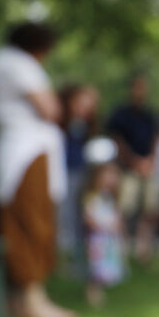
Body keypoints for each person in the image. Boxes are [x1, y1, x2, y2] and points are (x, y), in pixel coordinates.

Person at [0, 22, 74, 317]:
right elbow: (49, 109)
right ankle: (31, 301)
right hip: (26, 154)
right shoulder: (16, 62)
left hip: (20, 152)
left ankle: (21, 300)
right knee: (30, 224)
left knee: (23, 223)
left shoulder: (0, 61)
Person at [107, 73, 159, 264]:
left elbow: (156, 139)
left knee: (150, 210)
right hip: (128, 168)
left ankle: (143, 251)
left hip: (147, 167)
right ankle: (120, 250)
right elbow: (117, 140)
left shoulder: (150, 115)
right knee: (124, 208)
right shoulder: (121, 114)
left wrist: (149, 161)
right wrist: (134, 161)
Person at [80, 137, 127, 307]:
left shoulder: (111, 199)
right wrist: (106, 226)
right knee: (96, 268)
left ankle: (101, 289)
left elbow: (118, 218)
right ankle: (93, 292)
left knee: (107, 266)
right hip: (97, 240)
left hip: (109, 240)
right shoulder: (92, 197)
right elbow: (89, 218)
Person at [58, 84, 100, 268]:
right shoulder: (60, 122)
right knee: (63, 214)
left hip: (80, 173)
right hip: (63, 173)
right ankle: (62, 256)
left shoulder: (86, 126)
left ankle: (77, 257)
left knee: (78, 216)